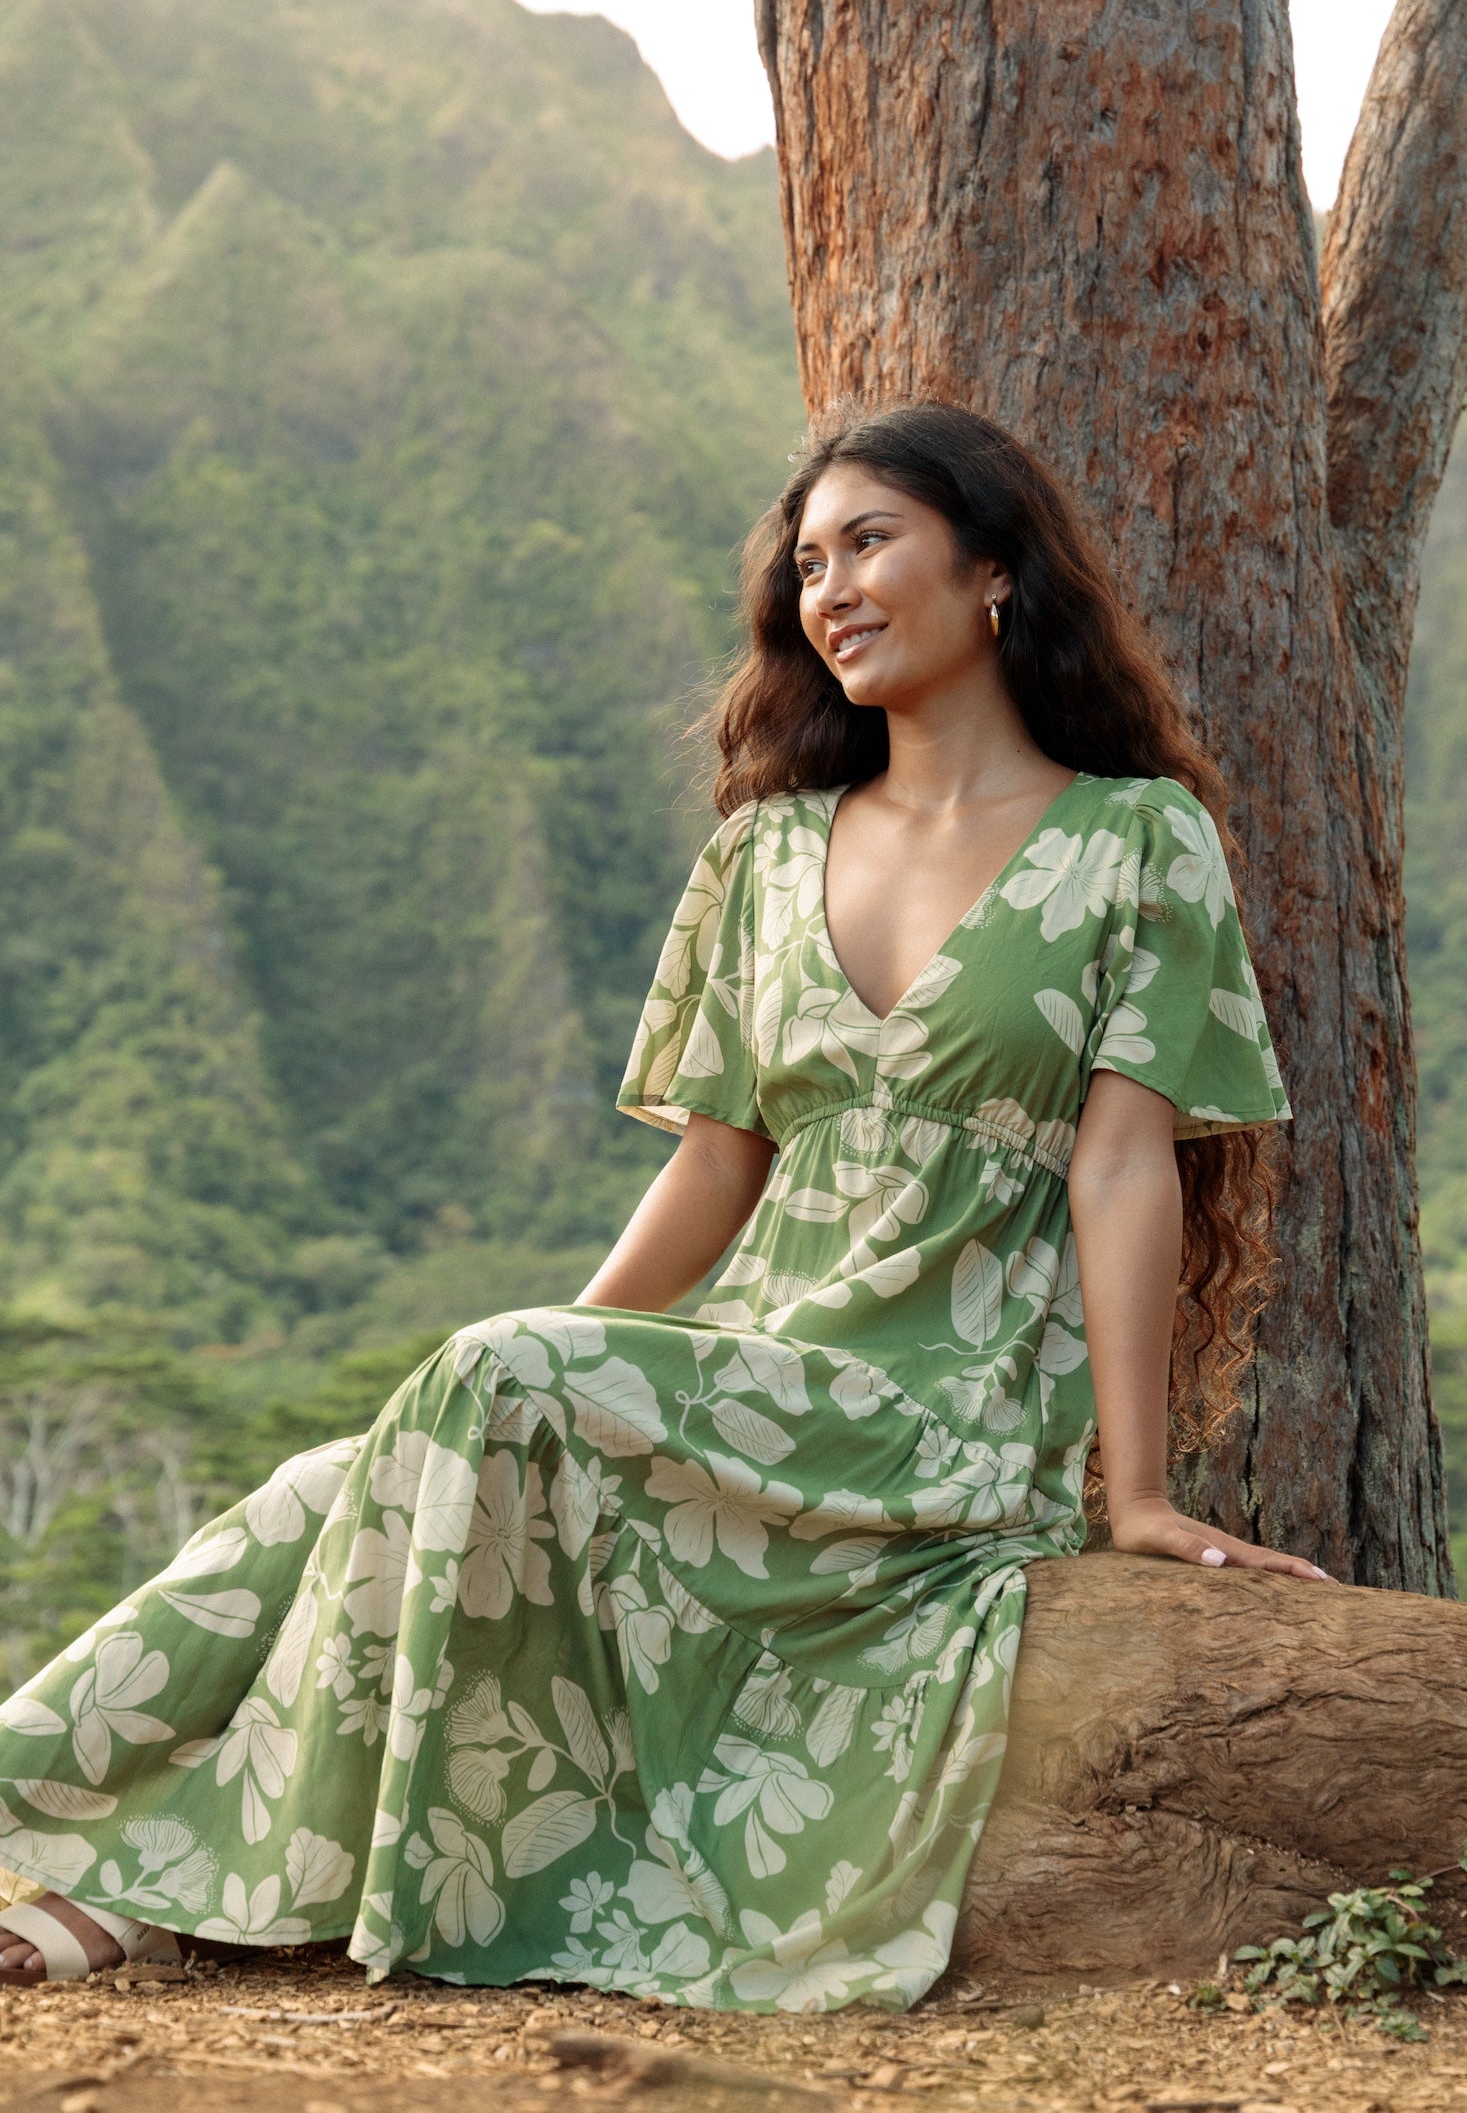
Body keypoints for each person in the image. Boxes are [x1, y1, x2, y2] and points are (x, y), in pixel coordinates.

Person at [0, 401, 1325, 2004]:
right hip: (763, 1369)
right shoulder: (763, 856)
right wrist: (513, 1391)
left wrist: (1133, 1496)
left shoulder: (1137, 842)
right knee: (348, 1473)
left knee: (489, 1379)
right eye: (806, 563)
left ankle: (163, 1902)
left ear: (992, 569)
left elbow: (1123, 1168)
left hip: (956, 1408)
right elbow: (717, 1165)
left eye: (869, 542)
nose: (825, 585)